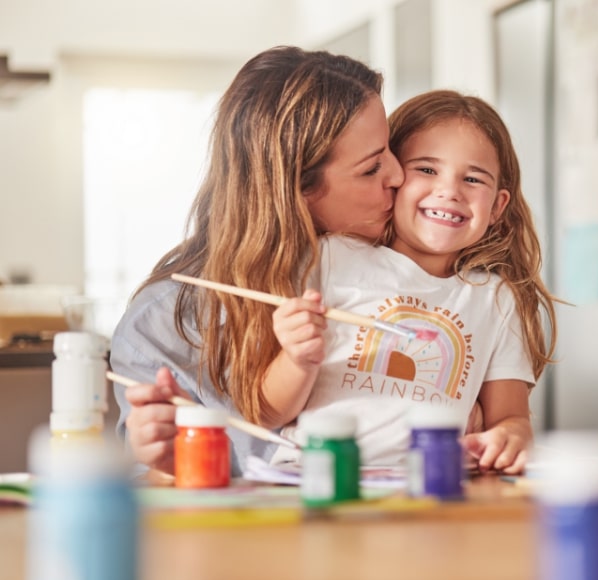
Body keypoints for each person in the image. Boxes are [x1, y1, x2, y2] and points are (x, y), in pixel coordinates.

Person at [110, 45, 404, 476]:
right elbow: (151, 485)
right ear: (295, 189)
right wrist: (158, 459)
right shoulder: (162, 323)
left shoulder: (401, 262)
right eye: (371, 168)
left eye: (389, 150)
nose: (398, 176)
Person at [262, 90, 558, 474]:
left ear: (498, 207)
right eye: (427, 170)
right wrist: (296, 358)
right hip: (313, 477)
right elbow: (269, 411)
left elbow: (512, 419)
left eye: (472, 179)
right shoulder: (332, 257)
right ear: (394, 178)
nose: (449, 191)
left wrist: (509, 438)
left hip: (433, 486)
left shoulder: (495, 300)